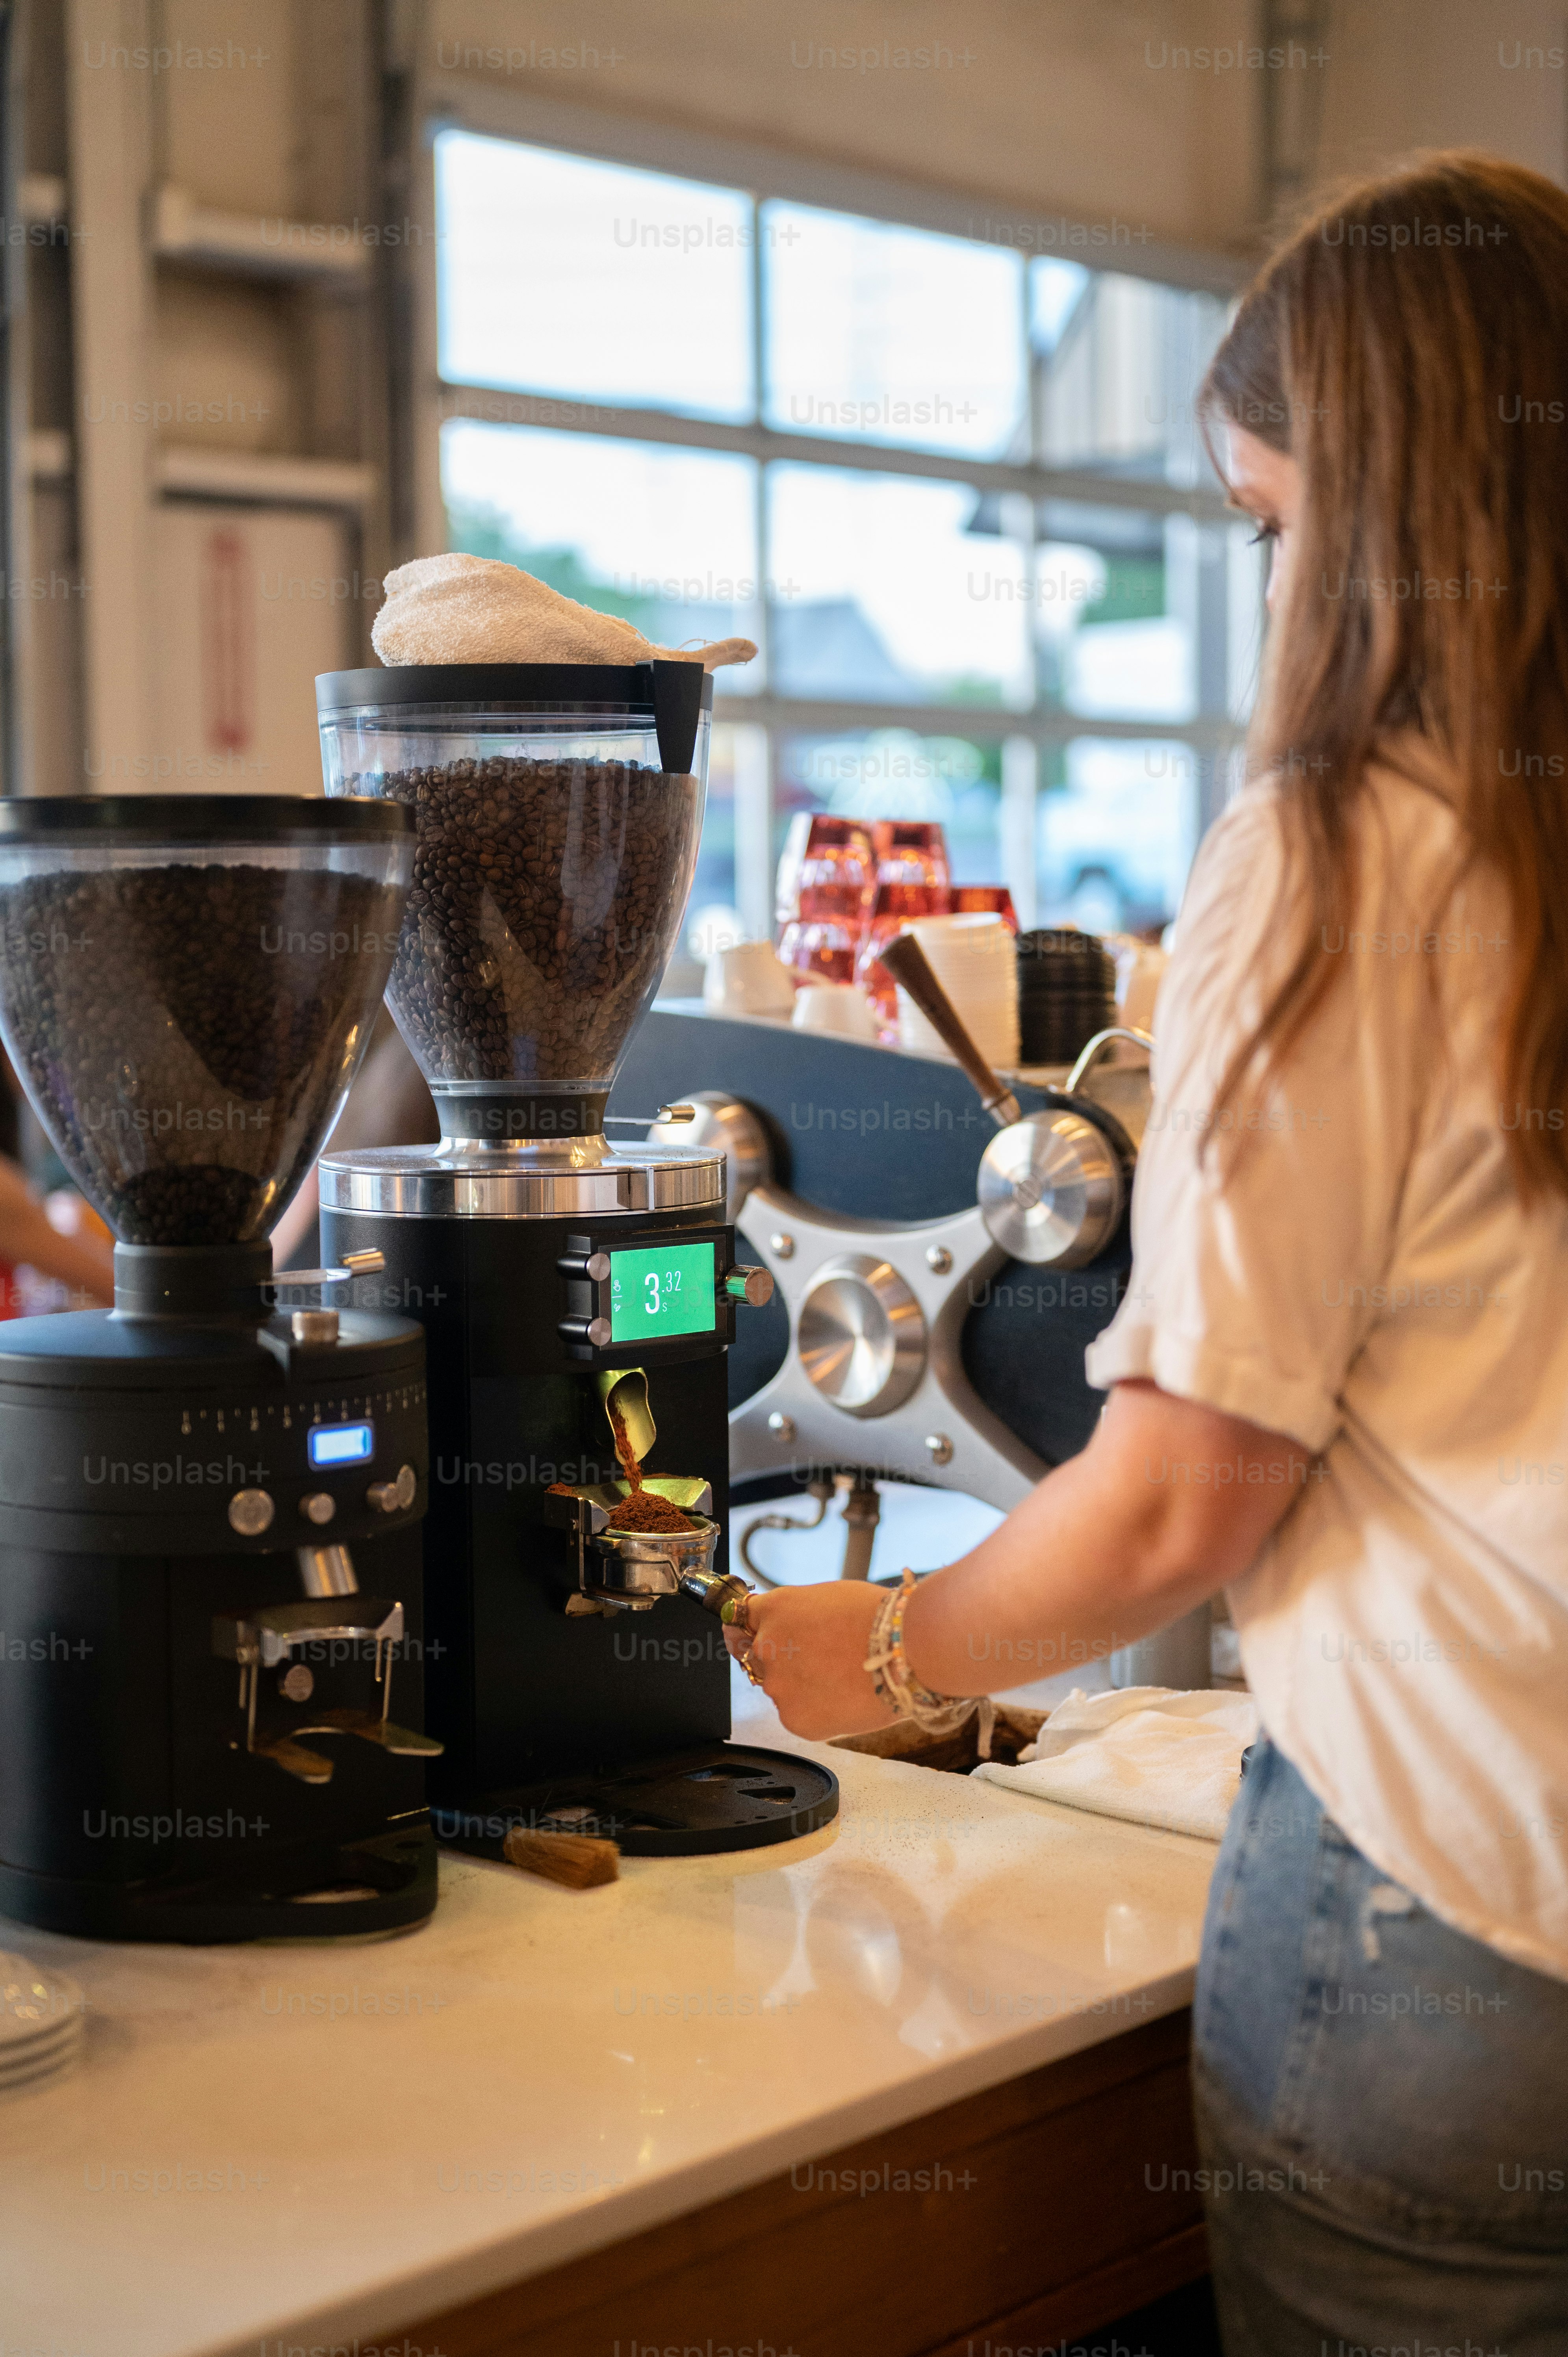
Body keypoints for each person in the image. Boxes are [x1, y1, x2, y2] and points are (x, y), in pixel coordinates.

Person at [726, 152, 1568, 2352]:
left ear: (1390, 515)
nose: (1277, 592)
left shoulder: (1349, 844)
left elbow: (1194, 1494)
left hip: (1455, 1917)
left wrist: (888, 1655)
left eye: (1276, 529)